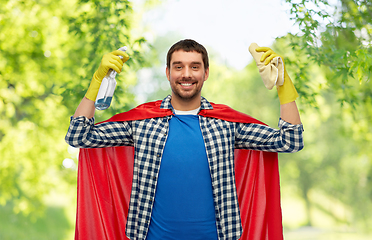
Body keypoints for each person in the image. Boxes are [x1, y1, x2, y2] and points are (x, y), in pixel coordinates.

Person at [65, 39, 304, 240]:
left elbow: (289, 141)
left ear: (206, 73)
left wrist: (283, 85)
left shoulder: (227, 124)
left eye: (194, 67)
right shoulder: (142, 122)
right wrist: (97, 83)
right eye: (178, 67)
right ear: (168, 73)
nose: (186, 74)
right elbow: (79, 136)